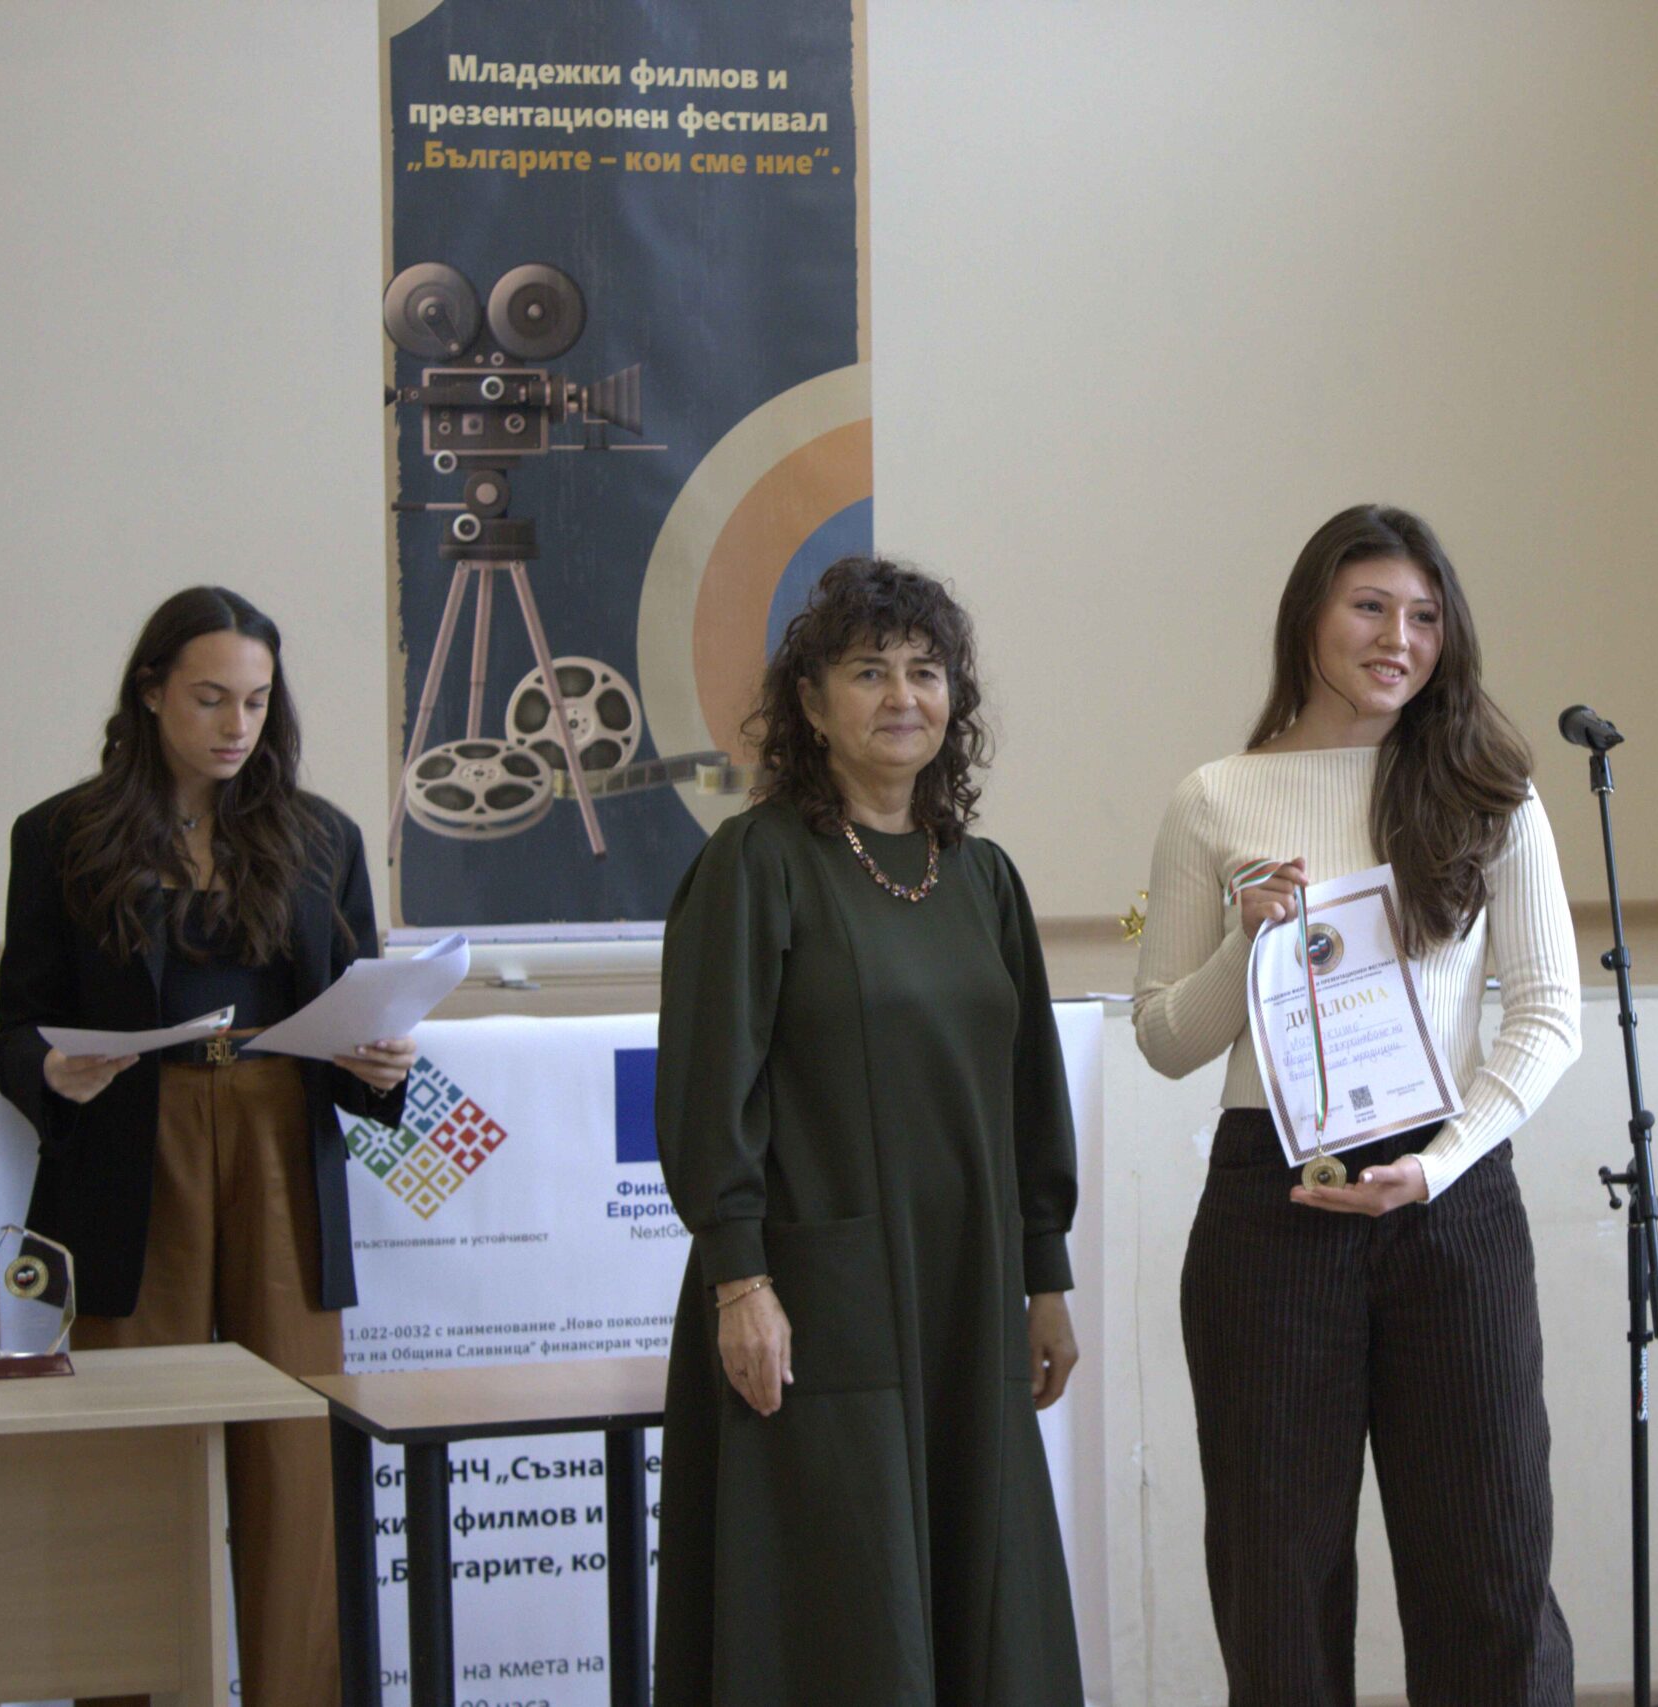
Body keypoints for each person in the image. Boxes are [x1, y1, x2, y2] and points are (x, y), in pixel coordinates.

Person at [1134, 504, 1584, 1704]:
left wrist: (1439, 1163)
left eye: (1425, 616)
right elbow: (1165, 1039)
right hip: (1272, 1203)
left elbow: (1550, 1016)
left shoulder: (1490, 788)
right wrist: (1245, 945)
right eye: (1370, 607)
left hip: (1450, 1198)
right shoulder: (1217, 798)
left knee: (1489, 1567)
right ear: (1309, 618)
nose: (1399, 639)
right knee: (1274, 1580)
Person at [652, 556, 1083, 1705]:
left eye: (925, 671)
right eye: (868, 671)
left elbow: (1029, 1093)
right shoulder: (757, 863)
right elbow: (707, 1087)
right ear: (810, 703)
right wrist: (740, 1282)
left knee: (980, 1598)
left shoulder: (984, 880)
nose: (902, 696)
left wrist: (1044, 1276)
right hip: (816, 1302)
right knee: (846, 1612)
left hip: (968, 1297)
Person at [0, 586, 414, 1707]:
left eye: (257, 702)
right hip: (135, 1151)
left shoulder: (322, 838)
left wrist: (381, 1066)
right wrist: (50, 1069)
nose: (237, 726)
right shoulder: (61, 835)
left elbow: (357, 1010)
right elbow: (16, 1028)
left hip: (279, 1143)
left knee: (295, 1460)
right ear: (151, 693)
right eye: (211, 698)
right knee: (133, 1452)